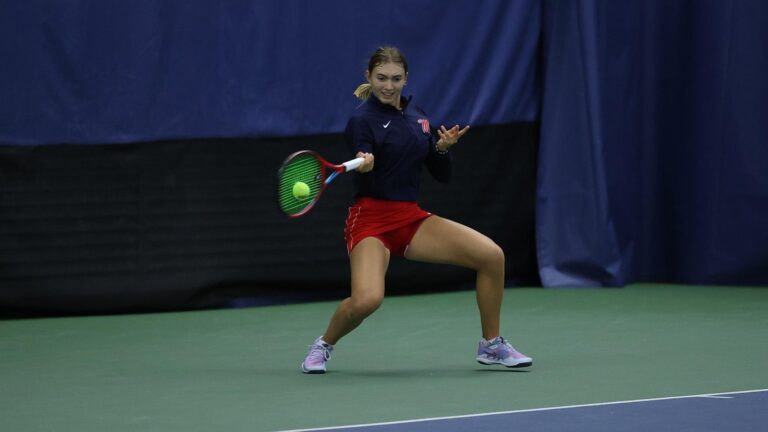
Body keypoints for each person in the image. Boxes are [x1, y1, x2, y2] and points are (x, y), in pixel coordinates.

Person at [301, 46, 532, 374]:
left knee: (492, 256)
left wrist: (442, 148)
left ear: (406, 78)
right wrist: (364, 160)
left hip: (410, 218)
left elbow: (441, 174)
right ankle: (324, 344)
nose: (388, 86)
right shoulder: (361, 120)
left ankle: (491, 345)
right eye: (381, 78)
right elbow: (363, 154)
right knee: (367, 300)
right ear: (368, 77)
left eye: (396, 79)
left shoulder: (418, 118)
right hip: (370, 221)